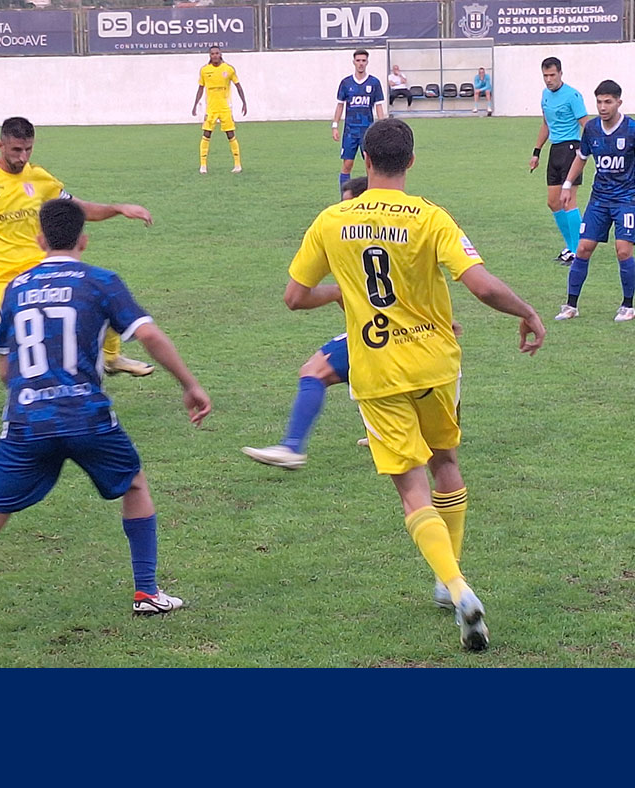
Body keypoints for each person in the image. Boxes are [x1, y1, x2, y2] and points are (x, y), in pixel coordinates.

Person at [284, 117, 546, 651]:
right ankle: (449, 583)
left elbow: (294, 296)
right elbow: (479, 285)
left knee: (411, 490)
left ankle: (455, 585)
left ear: (363, 159)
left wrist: (342, 295)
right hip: (435, 366)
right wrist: (527, 311)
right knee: (446, 463)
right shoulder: (430, 217)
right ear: (411, 160)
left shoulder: (332, 220)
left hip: (378, 372)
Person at [0, 200, 212, 616]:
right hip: (85, 416)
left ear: (40, 239)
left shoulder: (17, 288)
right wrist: (190, 385)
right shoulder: (100, 282)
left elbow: (6, 368)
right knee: (134, 486)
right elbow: (148, 336)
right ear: (83, 239)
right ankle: (146, 592)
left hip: (26, 421)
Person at [0, 117, 156, 376]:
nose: (23, 157)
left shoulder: (40, 179)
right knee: (28, 337)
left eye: (28, 149)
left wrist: (118, 209)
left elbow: (78, 209)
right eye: (16, 150)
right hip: (1, 280)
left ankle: (111, 357)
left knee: (95, 297)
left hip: (42, 269)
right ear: (1, 145)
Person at [242, 176, 369, 469]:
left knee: (315, 369)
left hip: (381, 334)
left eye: (348, 205)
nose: (343, 212)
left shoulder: (337, 235)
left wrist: (336, 292)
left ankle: (292, 447)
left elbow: (295, 298)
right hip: (414, 335)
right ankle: (381, 432)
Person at [557, 80, 635, 323]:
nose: (603, 107)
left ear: (619, 102)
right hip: (599, 198)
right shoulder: (592, 129)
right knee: (583, 248)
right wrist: (567, 185)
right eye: (599, 102)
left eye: (608, 102)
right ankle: (571, 305)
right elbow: (581, 158)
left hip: (626, 198)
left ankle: (628, 306)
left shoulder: (633, 129)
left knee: (623, 250)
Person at [531, 57, 591, 264]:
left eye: (552, 75)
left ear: (560, 74)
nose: (548, 80)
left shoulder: (573, 96)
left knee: (568, 201)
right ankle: (570, 246)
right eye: (545, 76)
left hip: (571, 149)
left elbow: (586, 124)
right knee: (553, 202)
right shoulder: (545, 96)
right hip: (555, 150)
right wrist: (536, 152)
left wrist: (596, 148)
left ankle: (578, 249)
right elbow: (546, 125)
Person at [333, 49, 386, 196]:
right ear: (353, 62)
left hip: (368, 132)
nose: (361, 63)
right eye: (358, 60)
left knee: (370, 166)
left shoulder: (374, 83)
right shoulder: (346, 83)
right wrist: (335, 125)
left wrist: (383, 128)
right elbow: (340, 105)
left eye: (363, 61)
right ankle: (344, 199)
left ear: (367, 62)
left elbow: (379, 106)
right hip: (350, 131)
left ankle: (371, 197)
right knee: (347, 164)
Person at [192, 46, 248, 174]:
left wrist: (244, 102)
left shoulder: (228, 69)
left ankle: (237, 164)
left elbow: (238, 86)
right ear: (209, 55)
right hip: (211, 108)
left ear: (220, 54)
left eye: (217, 53)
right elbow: (200, 88)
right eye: (212, 54)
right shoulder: (205, 70)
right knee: (206, 134)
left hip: (225, 107)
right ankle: (203, 166)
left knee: (230, 134)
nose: (215, 56)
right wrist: (195, 104)